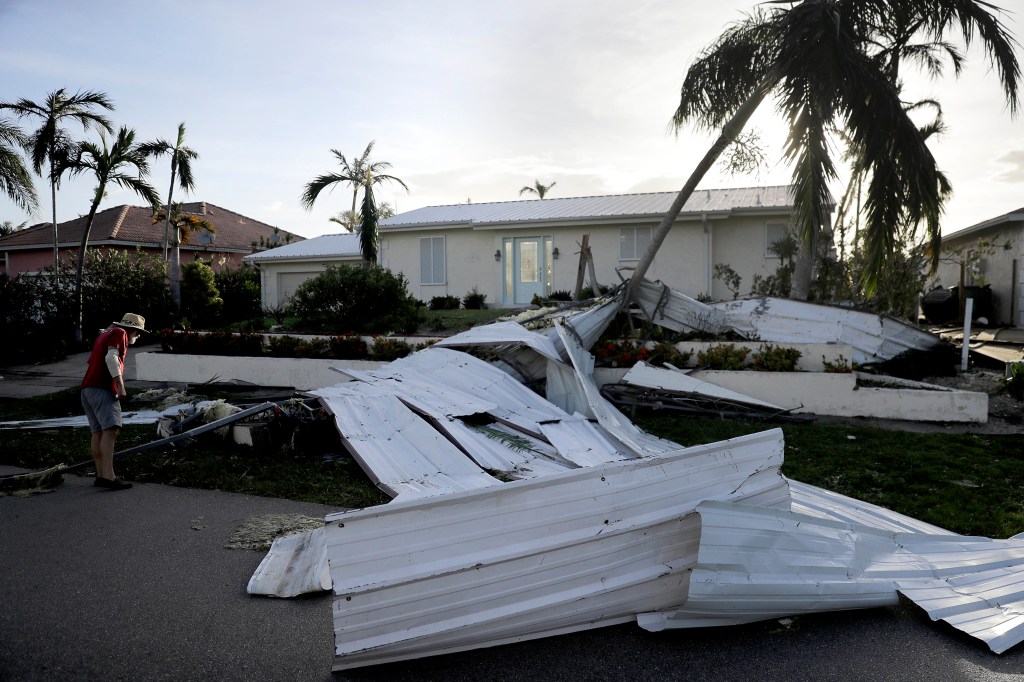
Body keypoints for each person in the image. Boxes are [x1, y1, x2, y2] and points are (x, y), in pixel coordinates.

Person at [80, 313, 147, 490]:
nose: (137, 337)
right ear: (132, 329)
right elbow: (111, 358)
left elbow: (93, 362)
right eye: (138, 333)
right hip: (102, 388)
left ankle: (101, 475)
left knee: (98, 432)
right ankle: (109, 477)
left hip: (87, 389)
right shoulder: (120, 333)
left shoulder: (104, 335)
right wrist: (121, 386)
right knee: (111, 430)